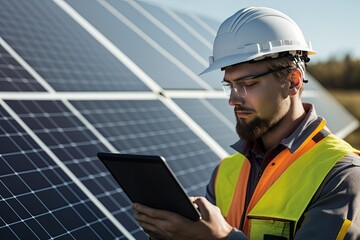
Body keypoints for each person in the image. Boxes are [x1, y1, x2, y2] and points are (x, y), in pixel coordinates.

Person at [132, 6, 360, 239]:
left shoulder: (343, 175)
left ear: (293, 81)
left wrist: (221, 238)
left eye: (248, 84)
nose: (233, 99)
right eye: (230, 85)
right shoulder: (225, 172)